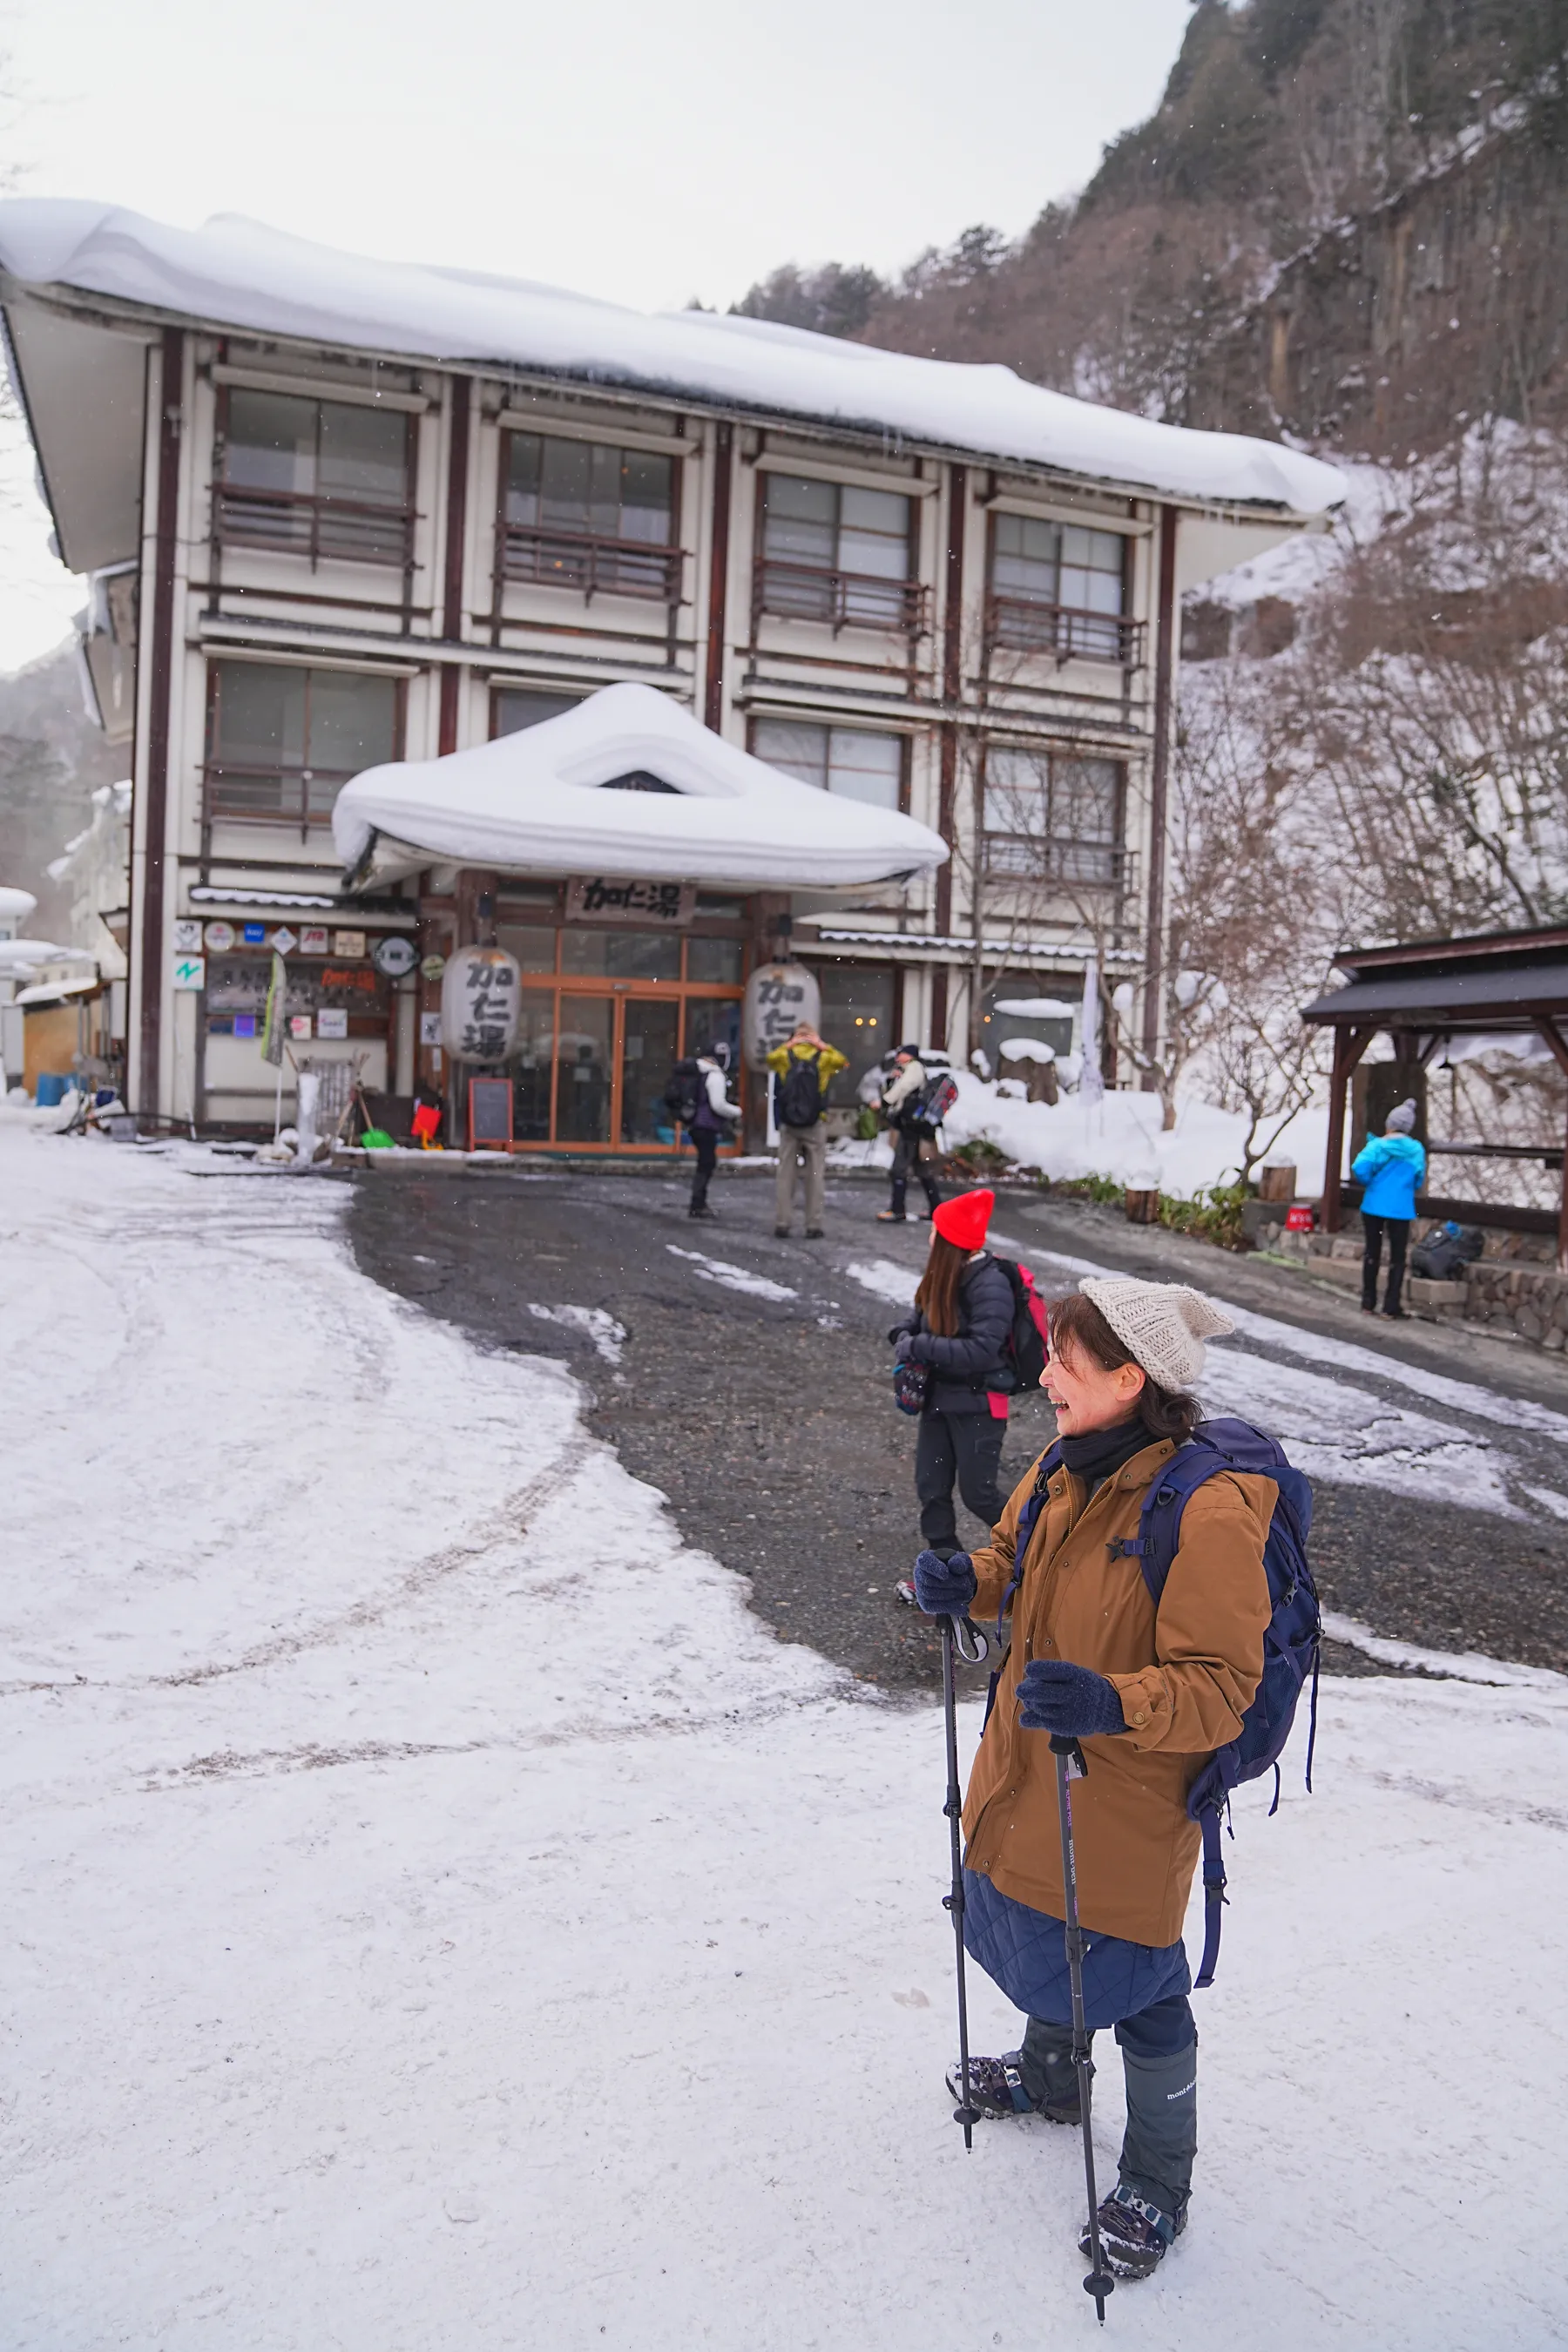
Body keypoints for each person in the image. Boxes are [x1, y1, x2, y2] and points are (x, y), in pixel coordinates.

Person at [911, 1276, 1270, 2282]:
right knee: (1037, 1914)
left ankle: (1159, 2179)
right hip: (1033, 1762)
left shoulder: (1209, 1511)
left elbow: (1220, 1691)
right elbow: (1009, 1559)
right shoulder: (1065, 1465)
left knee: (1139, 1980)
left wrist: (1117, 1704)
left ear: (1130, 1377)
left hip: (1131, 1796)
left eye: (1065, 1359)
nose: (1042, 1374)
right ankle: (1050, 2077)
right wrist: (964, 1581)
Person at [889, 1187, 1014, 1571]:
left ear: (950, 1241)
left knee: (979, 1494)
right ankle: (948, 1573)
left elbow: (982, 1350)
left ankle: (1042, 1553)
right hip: (938, 1401)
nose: (930, 1236)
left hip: (979, 1404)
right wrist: (903, 1336)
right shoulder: (941, 1274)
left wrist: (920, 1346)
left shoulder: (991, 1284)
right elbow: (915, 1321)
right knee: (931, 1489)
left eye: (935, 1230)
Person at [767, 1021, 847, 1240]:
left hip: (789, 1123)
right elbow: (843, 1062)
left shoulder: (785, 1055)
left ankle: (783, 1222)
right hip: (815, 1122)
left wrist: (789, 1045)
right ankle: (814, 1225)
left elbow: (770, 1059)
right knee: (815, 1175)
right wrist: (823, 1046)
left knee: (785, 1174)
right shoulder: (824, 1057)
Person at [1351, 1097, 1425, 1318]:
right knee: (1397, 1258)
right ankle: (1391, 1306)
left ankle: (1368, 1302)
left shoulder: (1376, 1146)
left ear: (1389, 1124)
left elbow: (1359, 1168)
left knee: (1372, 1253)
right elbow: (1418, 1179)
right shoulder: (1416, 1150)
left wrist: (1372, 1182)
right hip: (1401, 1209)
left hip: (1373, 1206)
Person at [876, 1044, 943, 1224]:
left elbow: (904, 1088)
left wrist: (885, 1100)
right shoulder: (906, 1070)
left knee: (899, 1169)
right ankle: (936, 1209)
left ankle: (897, 1210)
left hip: (911, 1127)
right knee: (922, 1171)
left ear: (910, 1056)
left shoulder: (914, 1069)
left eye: (902, 1054)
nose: (898, 1057)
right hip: (914, 1126)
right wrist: (892, 1081)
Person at [685, 1044, 740, 1220]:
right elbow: (718, 1105)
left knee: (705, 1163)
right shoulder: (715, 1075)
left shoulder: (701, 1073)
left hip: (696, 1124)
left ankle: (698, 1203)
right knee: (707, 1164)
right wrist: (737, 1111)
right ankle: (698, 1204)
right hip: (706, 1125)